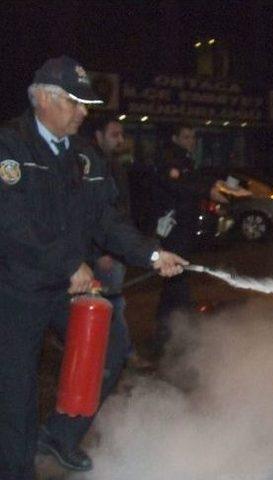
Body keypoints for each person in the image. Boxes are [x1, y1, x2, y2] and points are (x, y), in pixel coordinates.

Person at [0, 55, 187, 480]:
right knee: (16, 395)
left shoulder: (84, 158)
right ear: (44, 99)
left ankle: (61, 436)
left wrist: (152, 255)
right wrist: (69, 264)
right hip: (19, 290)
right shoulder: (9, 146)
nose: (85, 112)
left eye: (87, 103)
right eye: (75, 102)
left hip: (71, 287)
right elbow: (10, 224)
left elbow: (107, 222)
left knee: (112, 350)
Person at [92, 117, 151, 369]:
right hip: (104, 251)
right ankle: (120, 355)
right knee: (111, 303)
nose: (120, 140)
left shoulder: (115, 165)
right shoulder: (92, 165)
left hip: (115, 246)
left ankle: (109, 354)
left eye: (121, 135)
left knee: (111, 302)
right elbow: (93, 214)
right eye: (114, 134)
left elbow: (121, 210)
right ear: (98, 136)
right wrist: (102, 252)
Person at [151, 125, 212, 355]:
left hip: (180, 230)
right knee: (177, 279)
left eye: (193, 136)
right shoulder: (171, 158)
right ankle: (180, 332)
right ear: (175, 137)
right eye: (186, 136)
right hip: (174, 231)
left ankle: (167, 332)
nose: (191, 140)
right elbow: (178, 186)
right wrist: (208, 189)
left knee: (174, 282)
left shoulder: (184, 158)